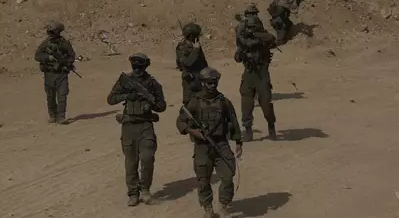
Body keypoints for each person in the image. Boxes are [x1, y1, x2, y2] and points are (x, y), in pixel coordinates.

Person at [176, 67, 243, 218]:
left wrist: (238, 142)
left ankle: (224, 205)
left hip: (221, 144)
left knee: (227, 176)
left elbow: (233, 122)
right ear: (203, 83)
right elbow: (180, 121)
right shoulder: (195, 102)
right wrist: (194, 132)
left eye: (214, 83)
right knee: (203, 180)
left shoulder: (224, 101)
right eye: (209, 83)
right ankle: (208, 210)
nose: (212, 86)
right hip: (202, 147)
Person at [107, 53, 167, 207]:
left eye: (140, 67)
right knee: (131, 162)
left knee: (147, 158)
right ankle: (133, 193)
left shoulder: (153, 84)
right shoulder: (125, 81)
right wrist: (129, 95)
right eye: (134, 67)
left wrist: (150, 102)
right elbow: (111, 99)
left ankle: (145, 190)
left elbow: (162, 106)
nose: (137, 70)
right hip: (128, 125)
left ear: (145, 67)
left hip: (145, 125)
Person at [235, 17, 277, 142]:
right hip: (248, 77)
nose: (250, 29)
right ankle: (248, 130)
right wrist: (242, 53)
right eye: (249, 27)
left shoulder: (263, 40)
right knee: (246, 106)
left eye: (253, 27)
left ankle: (271, 125)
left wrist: (256, 35)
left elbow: (272, 38)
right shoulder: (245, 41)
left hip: (262, 76)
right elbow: (237, 58)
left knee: (266, 105)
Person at [34, 21, 76, 124]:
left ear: (58, 32)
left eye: (52, 32)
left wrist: (66, 62)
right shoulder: (46, 43)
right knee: (50, 96)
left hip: (61, 73)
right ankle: (52, 115)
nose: (50, 34)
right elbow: (37, 56)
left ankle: (61, 117)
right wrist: (48, 58)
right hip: (49, 74)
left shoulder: (64, 43)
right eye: (49, 32)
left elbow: (72, 56)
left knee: (62, 96)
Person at [176, 22, 209, 105]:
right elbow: (187, 63)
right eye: (196, 35)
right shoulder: (182, 47)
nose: (198, 37)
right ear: (191, 36)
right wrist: (195, 50)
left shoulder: (196, 45)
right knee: (190, 105)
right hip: (190, 82)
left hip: (200, 80)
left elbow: (203, 63)